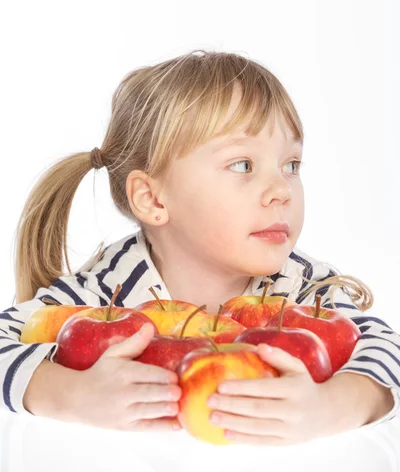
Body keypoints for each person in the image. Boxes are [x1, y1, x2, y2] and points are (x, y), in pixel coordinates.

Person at [1, 50, 399, 446]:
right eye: (243, 164)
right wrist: (72, 395)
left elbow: (386, 348)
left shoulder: (305, 288)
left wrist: (329, 407)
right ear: (153, 200)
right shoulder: (106, 289)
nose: (282, 190)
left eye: (291, 165)